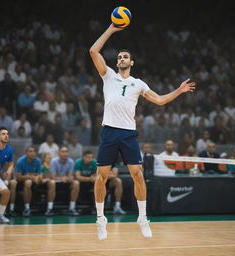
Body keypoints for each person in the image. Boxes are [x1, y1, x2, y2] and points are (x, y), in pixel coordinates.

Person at [89, 24, 195, 240]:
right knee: (101, 178)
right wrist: (111, 29)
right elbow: (93, 51)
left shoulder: (138, 83)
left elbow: (160, 100)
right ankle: (101, 220)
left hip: (128, 133)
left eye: (125, 57)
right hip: (109, 131)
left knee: (138, 175)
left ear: (131, 62)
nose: (121, 59)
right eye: (119, 57)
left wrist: (179, 90)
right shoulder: (107, 75)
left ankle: (143, 218)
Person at [15, 146, 55, 217]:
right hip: (22, 183)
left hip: (36, 182)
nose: (33, 153)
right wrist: (30, 176)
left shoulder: (38, 161)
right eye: (30, 151)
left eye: (34, 151)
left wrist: (39, 178)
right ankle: (27, 209)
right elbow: (18, 177)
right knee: (28, 182)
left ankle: (50, 208)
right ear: (26, 153)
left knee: (52, 183)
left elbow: (39, 175)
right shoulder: (20, 161)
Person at [50, 145, 79, 216]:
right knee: (52, 182)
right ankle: (49, 209)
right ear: (58, 153)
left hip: (67, 183)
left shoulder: (71, 161)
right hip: (56, 182)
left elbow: (70, 176)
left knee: (76, 183)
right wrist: (61, 178)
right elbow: (52, 177)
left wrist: (69, 178)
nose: (65, 153)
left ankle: (72, 208)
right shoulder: (53, 161)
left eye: (66, 151)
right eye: (63, 151)